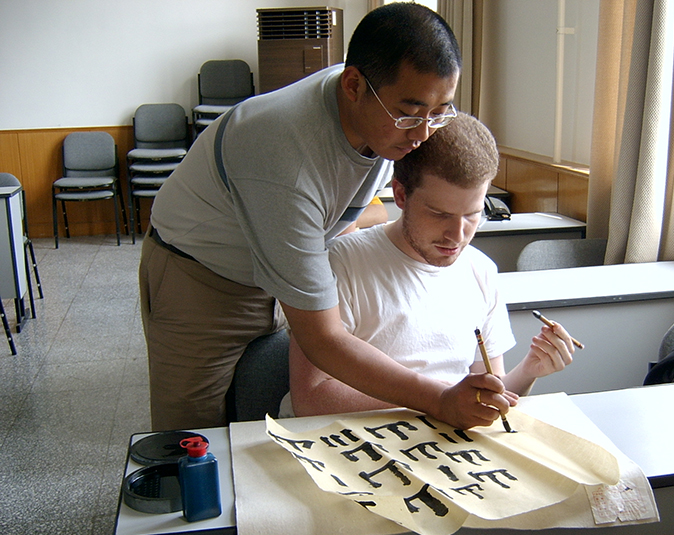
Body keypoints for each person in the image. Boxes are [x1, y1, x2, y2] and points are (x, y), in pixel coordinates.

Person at [139, 2, 510, 432]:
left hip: (274, 261)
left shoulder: (384, 116)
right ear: (352, 85)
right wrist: (439, 399)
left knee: (258, 412)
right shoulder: (284, 157)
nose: (424, 133)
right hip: (204, 278)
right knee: (194, 437)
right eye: (410, 113)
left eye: (440, 110)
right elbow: (323, 339)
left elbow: (339, 208)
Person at [284, 113, 576, 419]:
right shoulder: (341, 263)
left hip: (441, 446)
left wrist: (530, 370)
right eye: (439, 213)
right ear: (400, 194)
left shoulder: (481, 271)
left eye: (473, 215)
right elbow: (311, 398)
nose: (458, 235)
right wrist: (438, 399)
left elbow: (487, 392)